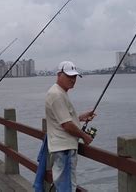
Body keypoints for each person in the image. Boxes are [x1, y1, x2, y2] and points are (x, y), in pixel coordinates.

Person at [45, 61, 95, 191]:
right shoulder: (57, 95)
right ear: (59, 74)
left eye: (74, 76)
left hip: (62, 148)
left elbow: (62, 120)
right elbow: (67, 125)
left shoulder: (59, 92)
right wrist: (85, 136)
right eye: (69, 76)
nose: (73, 80)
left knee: (63, 184)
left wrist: (80, 118)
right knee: (66, 186)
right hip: (64, 149)